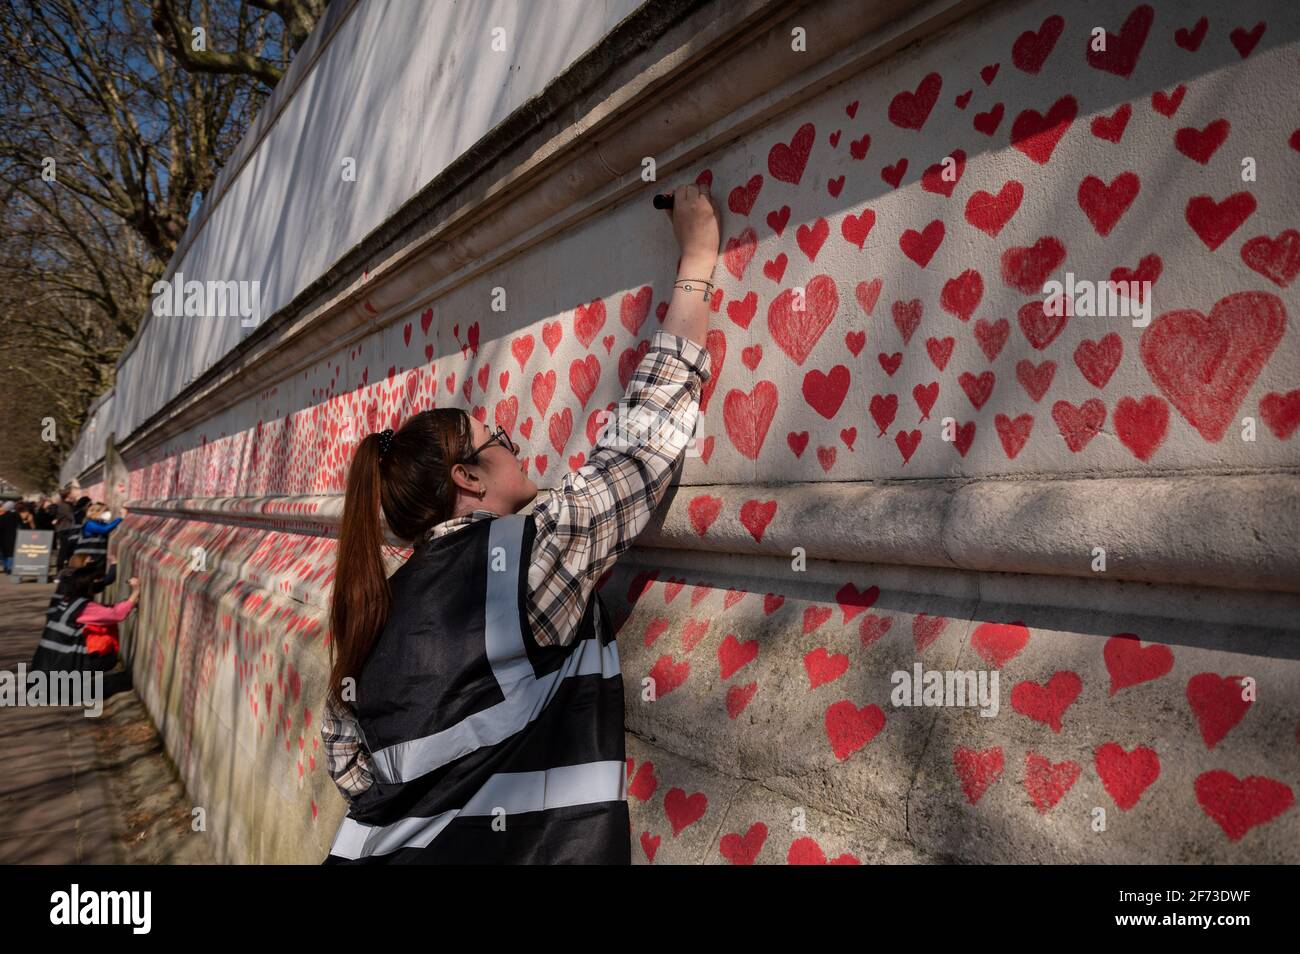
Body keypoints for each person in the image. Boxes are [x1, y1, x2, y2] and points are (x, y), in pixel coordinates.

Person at [319, 182, 721, 864]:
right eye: (498, 435)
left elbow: (353, 770)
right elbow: (643, 439)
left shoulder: (374, 612)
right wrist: (699, 260)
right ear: (468, 480)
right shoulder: (530, 557)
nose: (515, 439)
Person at [29, 563, 138, 700]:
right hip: (61, 665)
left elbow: (102, 611)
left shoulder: (68, 601)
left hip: (45, 665)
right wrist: (135, 593)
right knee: (108, 659)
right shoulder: (84, 607)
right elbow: (115, 615)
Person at [0, 502, 17, 574]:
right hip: (13, 537)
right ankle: (10, 568)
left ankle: (6, 567)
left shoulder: (2, 517)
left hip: (2, 538)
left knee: (4, 553)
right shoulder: (16, 516)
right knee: (11, 553)